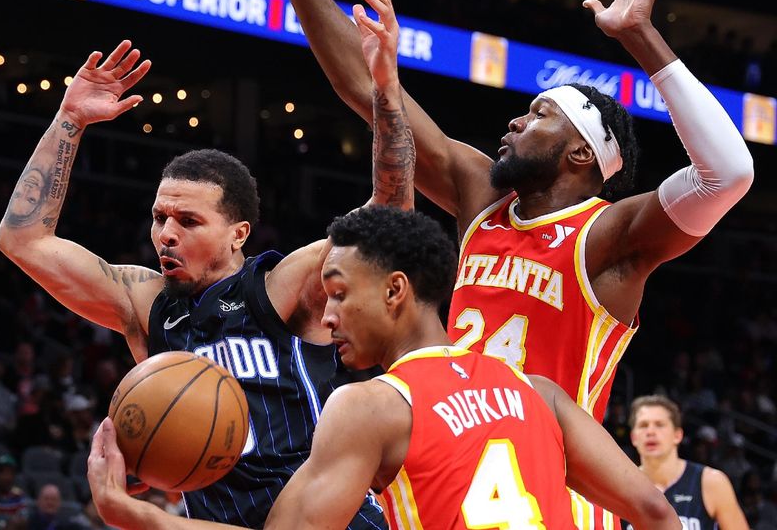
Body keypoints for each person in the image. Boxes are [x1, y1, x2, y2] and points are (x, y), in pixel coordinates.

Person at [247, 0, 754, 525]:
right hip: (445, 466)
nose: (516, 119)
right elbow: (367, 91)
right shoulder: (482, 197)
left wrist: (638, 33)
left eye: (540, 115)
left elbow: (728, 173)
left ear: (581, 155)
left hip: (551, 486)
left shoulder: (608, 237)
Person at [0, 32, 414, 528]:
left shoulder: (280, 287)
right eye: (159, 218)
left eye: (188, 221)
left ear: (238, 234)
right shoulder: (146, 302)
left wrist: (386, 89)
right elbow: (22, 240)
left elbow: (391, 216)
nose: (166, 234)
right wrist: (69, 120)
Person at [85, 206, 681, 530]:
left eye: (340, 294)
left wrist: (133, 515)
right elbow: (656, 515)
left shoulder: (372, 405)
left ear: (395, 291)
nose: (332, 316)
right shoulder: (541, 393)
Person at [626, 395, 748, 530]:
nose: (650, 432)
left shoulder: (711, 482)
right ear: (634, 437)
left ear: (677, 435)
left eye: (659, 425)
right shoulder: (622, 487)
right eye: (643, 425)